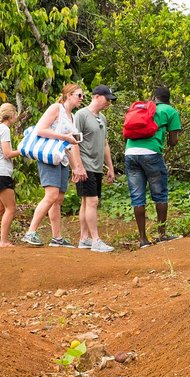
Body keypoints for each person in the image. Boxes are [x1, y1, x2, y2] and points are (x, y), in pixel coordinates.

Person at [21, 84, 87, 247]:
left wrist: (75, 167)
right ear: (69, 95)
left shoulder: (71, 117)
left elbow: (70, 146)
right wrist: (64, 136)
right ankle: (30, 232)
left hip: (62, 159)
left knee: (58, 198)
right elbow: (40, 130)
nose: (82, 99)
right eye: (79, 95)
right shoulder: (56, 108)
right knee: (51, 195)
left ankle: (56, 238)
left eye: (83, 96)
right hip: (49, 156)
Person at [124, 86, 182, 248]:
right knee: (160, 194)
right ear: (168, 99)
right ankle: (161, 234)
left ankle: (142, 240)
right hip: (151, 153)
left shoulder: (141, 108)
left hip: (130, 152)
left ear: (153, 97)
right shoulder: (170, 111)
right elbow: (173, 141)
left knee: (137, 196)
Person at [73, 85, 117, 253]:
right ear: (97, 97)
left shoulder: (102, 118)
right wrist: (78, 166)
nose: (108, 103)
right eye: (107, 99)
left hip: (97, 167)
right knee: (92, 201)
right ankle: (96, 240)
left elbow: (105, 143)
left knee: (86, 202)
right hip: (85, 165)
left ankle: (84, 239)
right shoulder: (81, 115)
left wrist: (110, 167)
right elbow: (74, 142)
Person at [0, 103, 21, 247]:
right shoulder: (4, 129)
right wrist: (23, 150)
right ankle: (4, 241)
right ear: (12, 115)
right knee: (10, 208)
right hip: (1, 173)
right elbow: (7, 153)